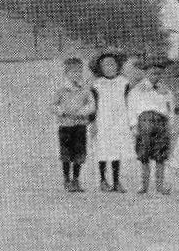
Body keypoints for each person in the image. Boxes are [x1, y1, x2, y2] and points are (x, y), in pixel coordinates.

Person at [127, 58, 174, 194]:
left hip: (161, 123)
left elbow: (170, 109)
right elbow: (131, 108)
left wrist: (170, 125)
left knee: (161, 155)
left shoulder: (166, 91)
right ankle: (144, 186)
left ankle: (160, 186)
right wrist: (133, 125)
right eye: (152, 73)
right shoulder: (137, 90)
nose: (155, 76)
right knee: (144, 155)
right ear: (146, 73)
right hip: (144, 123)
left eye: (158, 74)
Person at [90, 51, 133, 192]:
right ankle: (103, 180)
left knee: (117, 149)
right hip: (102, 119)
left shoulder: (124, 82)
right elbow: (93, 105)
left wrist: (130, 121)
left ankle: (116, 181)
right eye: (105, 65)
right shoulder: (97, 85)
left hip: (119, 120)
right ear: (100, 68)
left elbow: (130, 101)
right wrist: (93, 123)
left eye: (112, 64)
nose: (109, 67)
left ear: (117, 66)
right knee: (103, 149)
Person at [52, 57, 96, 192]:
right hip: (65, 126)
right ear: (66, 73)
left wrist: (82, 112)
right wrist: (61, 111)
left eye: (79, 72)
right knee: (66, 153)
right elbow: (53, 105)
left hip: (80, 126)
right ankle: (66, 179)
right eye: (72, 72)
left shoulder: (85, 89)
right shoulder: (61, 90)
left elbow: (91, 105)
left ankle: (76, 179)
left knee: (79, 153)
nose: (76, 75)